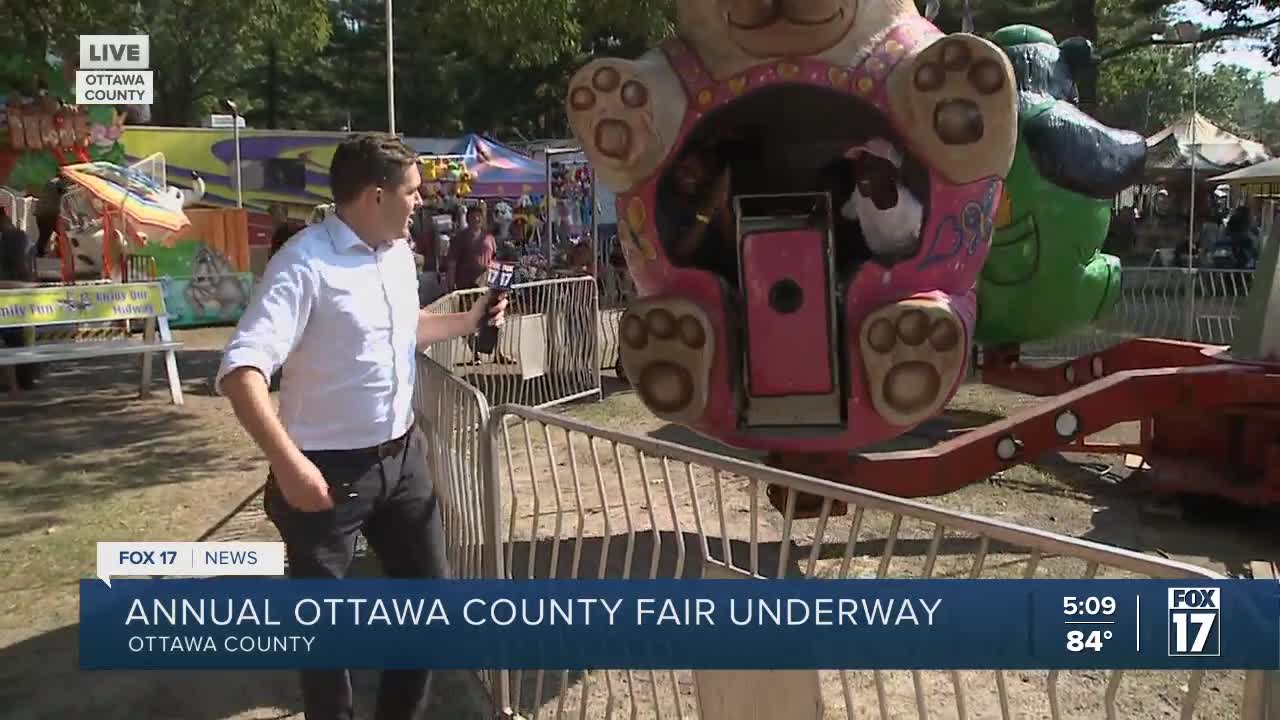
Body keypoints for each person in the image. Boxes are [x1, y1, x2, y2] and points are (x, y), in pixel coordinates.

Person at [214, 133, 507, 720]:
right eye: (412, 192)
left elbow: (407, 330)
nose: (422, 203)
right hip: (324, 474)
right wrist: (288, 463)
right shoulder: (302, 263)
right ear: (375, 195)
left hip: (404, 461)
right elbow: (240, 370)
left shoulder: (396, 254)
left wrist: (470, 318)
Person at [444, 204, 496, 293]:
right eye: (473, 217)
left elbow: (494, 260)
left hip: (485, 286)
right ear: (467, 220)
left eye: (479, 216)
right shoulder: (459, 238)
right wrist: (451, 286)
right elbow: (452, 263)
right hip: (465, 287)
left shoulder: (489, 238)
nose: (476, 219)